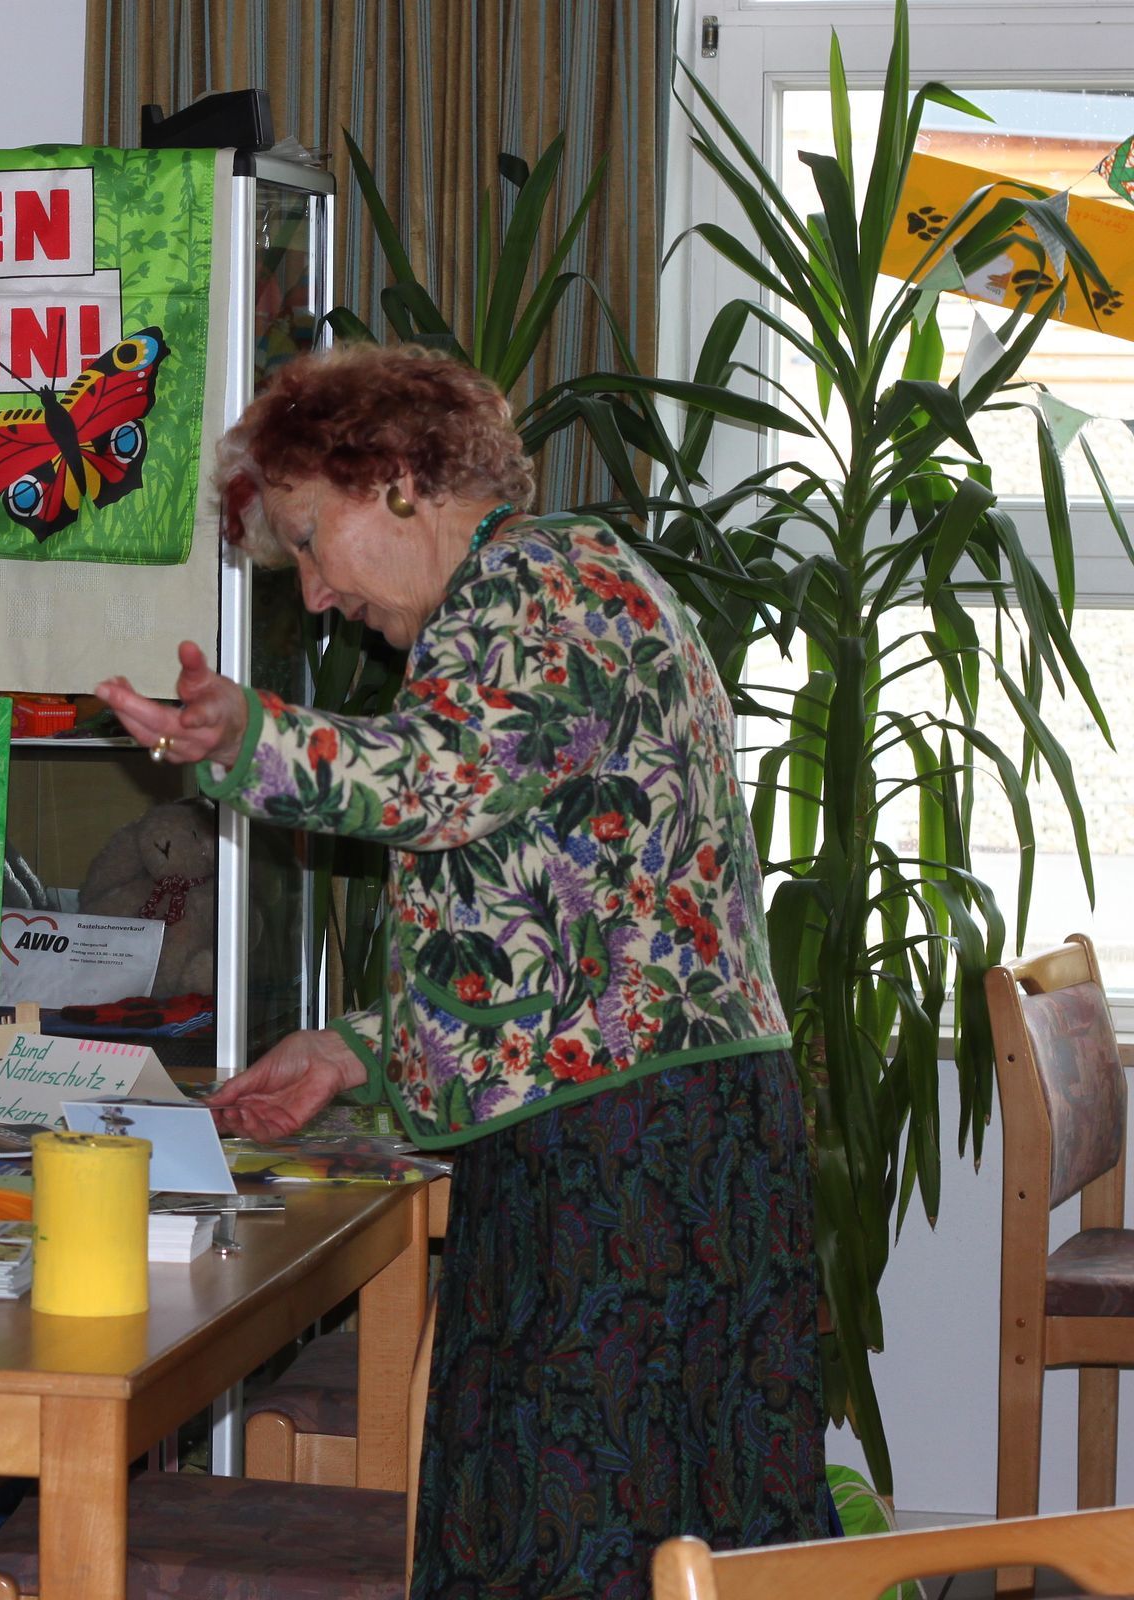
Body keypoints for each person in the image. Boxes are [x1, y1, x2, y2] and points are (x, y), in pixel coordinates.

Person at [94, 343, 822, 1599]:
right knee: (686, 1540)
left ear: (402, 480)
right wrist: (356, 1049)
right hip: (670, 1138)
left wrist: (248, 738)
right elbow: (552, 924)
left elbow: (438, 781)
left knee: (575, 1545)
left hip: (621, 1168)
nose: (315, 595)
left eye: (314, 540)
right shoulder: (576, 583)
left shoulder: (526, 586)